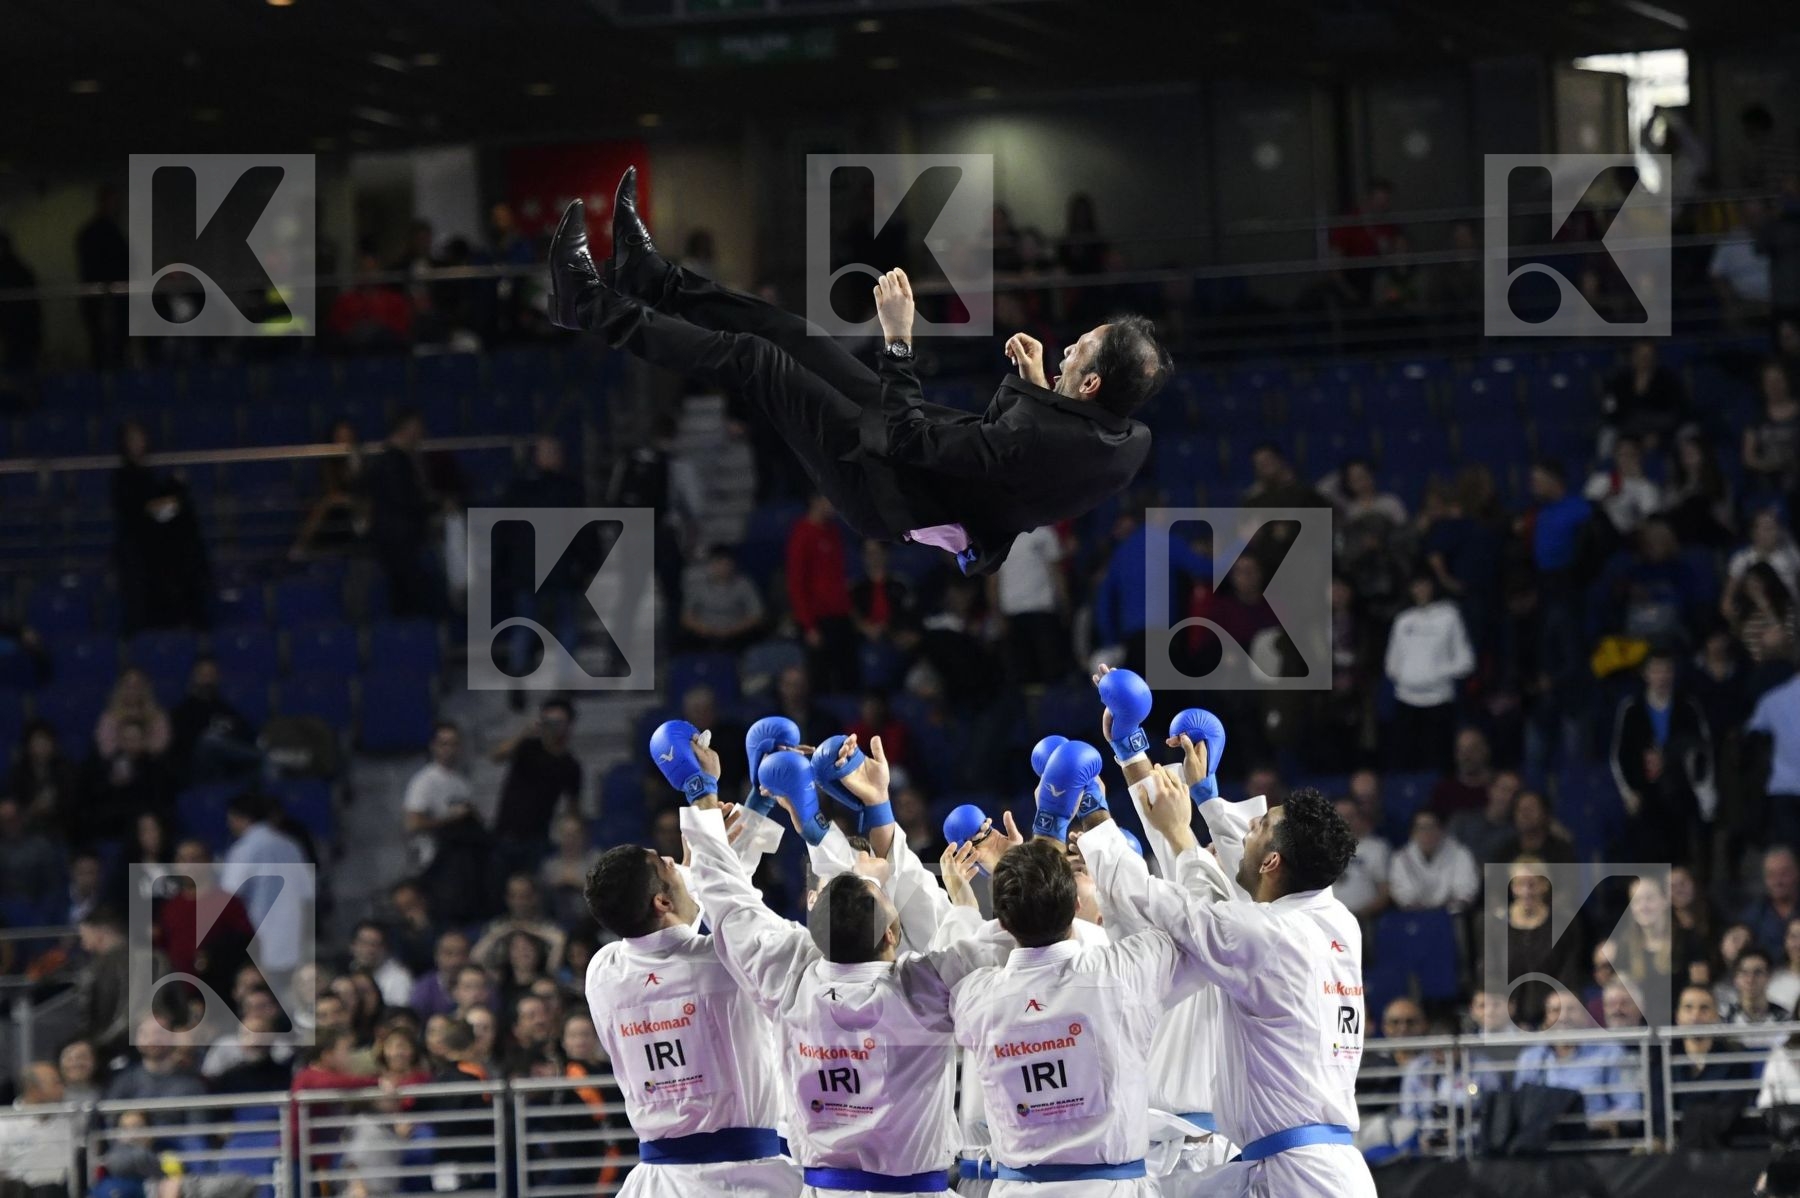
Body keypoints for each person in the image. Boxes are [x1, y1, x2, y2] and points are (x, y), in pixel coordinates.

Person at [550, 169, 1163, 577]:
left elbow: (910, 440)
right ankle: (653, 281)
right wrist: (1029, 386)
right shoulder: (1122, 434)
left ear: (1090, 386)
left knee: (759, 360)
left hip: (889, 488)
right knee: (794, 334)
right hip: (928, 469)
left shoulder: (1048, 438)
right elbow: (1007, 470)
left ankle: (592, 306)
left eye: (1079, 351)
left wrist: (898, 340)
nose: (1066, 349)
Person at [685, 749, 1010, 1196]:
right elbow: (1017, 932)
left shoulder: (791, 977)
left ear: (813, 924)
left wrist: (700, 795)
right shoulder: (921, 988)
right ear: (893, 936)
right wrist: (987, 886)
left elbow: (725, 897)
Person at [1082, 764, 1377, 1197]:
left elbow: (1151, 899)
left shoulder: (1266, 937)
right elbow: (1241, 889)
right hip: (1306, 1167)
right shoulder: (1337, 921)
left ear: (1274, 860)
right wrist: (1206, 797)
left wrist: (1097, 819)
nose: (1247, 829)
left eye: (1258, 826)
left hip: (1300, 1179)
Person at [581, 830, 800, 1193]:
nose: (674, 862)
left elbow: (669, 930)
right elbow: (740, 915)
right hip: (750, 1179)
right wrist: (714, 840)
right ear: (662, 902)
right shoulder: (725, 961)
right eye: (666, 865)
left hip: (658, 1183)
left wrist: (699, 862)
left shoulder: (603, 972)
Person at [1609, 648, 1717, 865]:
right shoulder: (1631, 708)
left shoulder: (1688, 706)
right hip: (1646, 799)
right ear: (1646, 674)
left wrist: (1706, 794)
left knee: (1682, 859)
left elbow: (1703, 751)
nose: (1662, 676)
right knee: (1648, 859)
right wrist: (1629, 793)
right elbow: (1619, 755)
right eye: (1656, 671)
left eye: (1666, 670)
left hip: (1681, 798)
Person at [111, 421, 210, 635]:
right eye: (132, 439)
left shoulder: (149, 476)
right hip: (137, 554)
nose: (138, 444)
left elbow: (159, 509)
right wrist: (172, 503)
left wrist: (174, 497)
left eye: (140, 438)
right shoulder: (123, 478)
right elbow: (144, 512)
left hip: (160, 552)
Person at [1383, 573, 1474, 773]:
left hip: (1439, 699)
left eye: (1424, 584)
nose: (1420, 590)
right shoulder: (1403, 619)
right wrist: (1407, 676)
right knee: (1405, 759)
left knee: (1438, 759)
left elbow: (1466, 661)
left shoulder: (1449, 615)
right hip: (1406, 699)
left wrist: (1434, 674)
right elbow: (1392, 662)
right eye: (1416, 585)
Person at [489, 699, 584, 886]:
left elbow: (573, 806)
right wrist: (525, 733)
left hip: (537, 838)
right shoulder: (527, 748)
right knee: (497, 891)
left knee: (533, 888)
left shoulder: (570, 765)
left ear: (569, 725)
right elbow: (496, 756)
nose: (554, 727)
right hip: (505, 833)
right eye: (549, 721)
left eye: (559, 722)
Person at [363, 408, 441, 619]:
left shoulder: (400, 461)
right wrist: (433, 506)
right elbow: (404, 500)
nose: (421, 434)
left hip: (401, 542)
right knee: (408, 601)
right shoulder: (392, 463)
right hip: (398, 543)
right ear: (407, 429)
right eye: (418, 429)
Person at [167, 656, 260, 785]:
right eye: (202, 674)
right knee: (208, 740)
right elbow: (180, 748)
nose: (207, 680)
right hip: (195, 772)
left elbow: (247, 735)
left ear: (217, 678)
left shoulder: (226, 710)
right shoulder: (181, 712)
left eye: (211, 674)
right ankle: (263, 756)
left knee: (262, 767)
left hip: (227, 771)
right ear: (194, 677)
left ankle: (264, 758)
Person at [402, 722, 474, 875]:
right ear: (434, 746)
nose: (449, 749)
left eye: (454, 744)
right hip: (432, 860)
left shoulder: (461, 782)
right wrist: (451, 819)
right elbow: (413, 824)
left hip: (458, 858)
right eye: (444, 744)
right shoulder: (424, 781)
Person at [290, 419, 367, 560]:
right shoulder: (328, 463)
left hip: (358, 505)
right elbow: (331, 491)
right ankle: (300, 546)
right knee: (326, 503)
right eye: (340, 437)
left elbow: (364, 487)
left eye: (347, 437)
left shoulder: (361, 460)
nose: (344, 441)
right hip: (335, 510)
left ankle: (365, 532)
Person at [1388, 810, 1480, 914]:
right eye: (1421, 828)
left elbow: (1465, 891)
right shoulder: (1401, 858)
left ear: (1441, 830)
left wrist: (1445, 911)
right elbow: (1403, 895)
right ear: (1413, 833)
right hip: (1414, 917)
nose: (1427, 833)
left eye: (1431, 827)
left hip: (1452, 916)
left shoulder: (1460, 853)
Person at [680, 546, 765, 653]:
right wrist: (705, 630)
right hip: (704, 633)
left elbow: (757, 614)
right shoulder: (697, 586)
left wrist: (732, 630)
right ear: (710, 565)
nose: (723, 568)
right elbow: (686, 617)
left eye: (726, 564)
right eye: (718, 563)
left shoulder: (744, 584)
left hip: (736, 633)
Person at [1751, 674, 1800, 853]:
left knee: (1790, 852)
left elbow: (1753, 731)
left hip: (1783, 787)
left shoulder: (1774, 698)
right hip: (1784, 787)